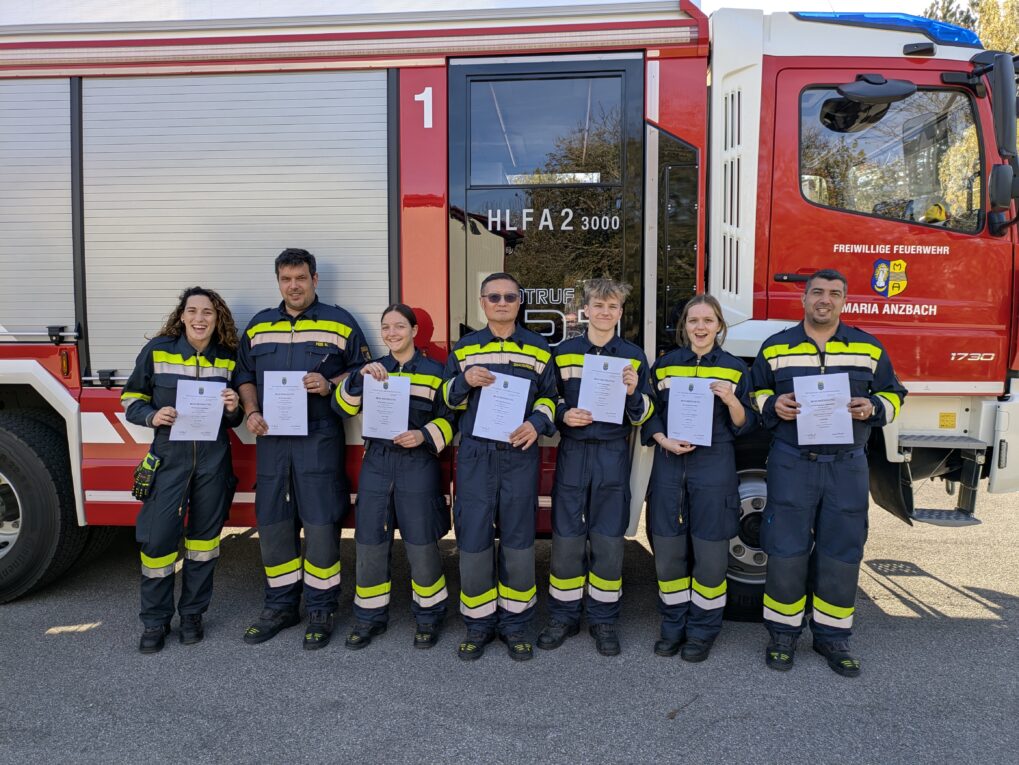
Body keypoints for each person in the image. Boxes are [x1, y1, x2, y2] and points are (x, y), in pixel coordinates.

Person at [750, 268, 906, 677]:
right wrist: (773, 406)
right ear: (803, 299)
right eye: (817, 292)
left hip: (846, 463)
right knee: (785, 549)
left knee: (842, 550)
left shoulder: (868, 348)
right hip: (792, 461)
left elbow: (894, 393)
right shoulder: (775, 346)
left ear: (844, 301)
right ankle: (782, 636)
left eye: (834, 293)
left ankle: (832, 637)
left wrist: (874, 408)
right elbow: (756, 390)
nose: (825, 299)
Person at [235, 248, 370, 650]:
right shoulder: (259, 326)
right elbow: (243, 373)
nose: (293, 286)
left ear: (314, 279)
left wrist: (331, 384)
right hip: (272, 439)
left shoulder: (340, 322)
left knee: (320, 523)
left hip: (318, 438)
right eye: (286, 279)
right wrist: (251, 409)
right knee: (274, 522)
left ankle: (321, 609)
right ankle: (280, 606)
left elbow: (363, 369)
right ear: (278, 281)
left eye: (301, 278)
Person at [442, 272, 557, 662]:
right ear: (482, 301)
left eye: (509, 296)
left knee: (519, 540)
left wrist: (536, 424)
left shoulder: (540, 349)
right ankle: (478, 625)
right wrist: (464, 381)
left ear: (519, 302)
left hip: (518, 452)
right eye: (494, 297)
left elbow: (552, 399)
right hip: (476, 453)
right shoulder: (465, 348)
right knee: (473, 538)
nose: (502, 302)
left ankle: (516, 624)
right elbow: (446, 402)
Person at [536, 278, 653, 657]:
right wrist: (564, 413)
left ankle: (604, 620)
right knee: (567, 538)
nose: (605, 312)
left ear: (620, 312)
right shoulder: (564, 352)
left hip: (611, 452)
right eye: (599, 306)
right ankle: (564, 617)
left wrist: (635, 393)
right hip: (574, 451)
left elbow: (646, 413)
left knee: (607, 539)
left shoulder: (634, 356)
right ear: (586, 309)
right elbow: (546, 399)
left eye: (613, 307)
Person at [121, 286, 242, 653]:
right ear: (182, 315)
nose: (200, 318)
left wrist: (235, 405)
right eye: (193, 311)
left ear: (217, 318)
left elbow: (235, 418)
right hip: (168, 459)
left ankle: (192, 615)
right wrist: (152, 414)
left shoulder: (229, 359)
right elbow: (131, 398)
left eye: (208, 312)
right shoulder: (158, 351)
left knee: (204, 544)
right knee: (157, 543)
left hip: (213, 460)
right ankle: (155, 622)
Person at [331, 304, 455, 650]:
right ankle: (369, 618)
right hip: (378, 462)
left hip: (417, 462)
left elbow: (451, 418)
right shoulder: (371, 371)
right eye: (385, 327)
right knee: (369, 543)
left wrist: (424, 435)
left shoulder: (436, 371)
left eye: (399, 326)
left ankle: (429, 617)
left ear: (415, 331)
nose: (391, 333)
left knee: (421, 545)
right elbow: (340, 408)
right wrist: (356, 380)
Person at [641, 294, 757, 662]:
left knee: (710, 558)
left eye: (708, 320)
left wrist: (732, 401)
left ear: (719, 326)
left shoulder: (735, 369)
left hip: (714, 468)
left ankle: (703, 631)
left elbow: (747, 425)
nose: (701, 327)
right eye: (694, 320)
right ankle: (673, 626)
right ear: (684, 326)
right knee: (669, 556)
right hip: (670, 466)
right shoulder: (664, 367)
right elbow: (648, 412)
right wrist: (662, 439)